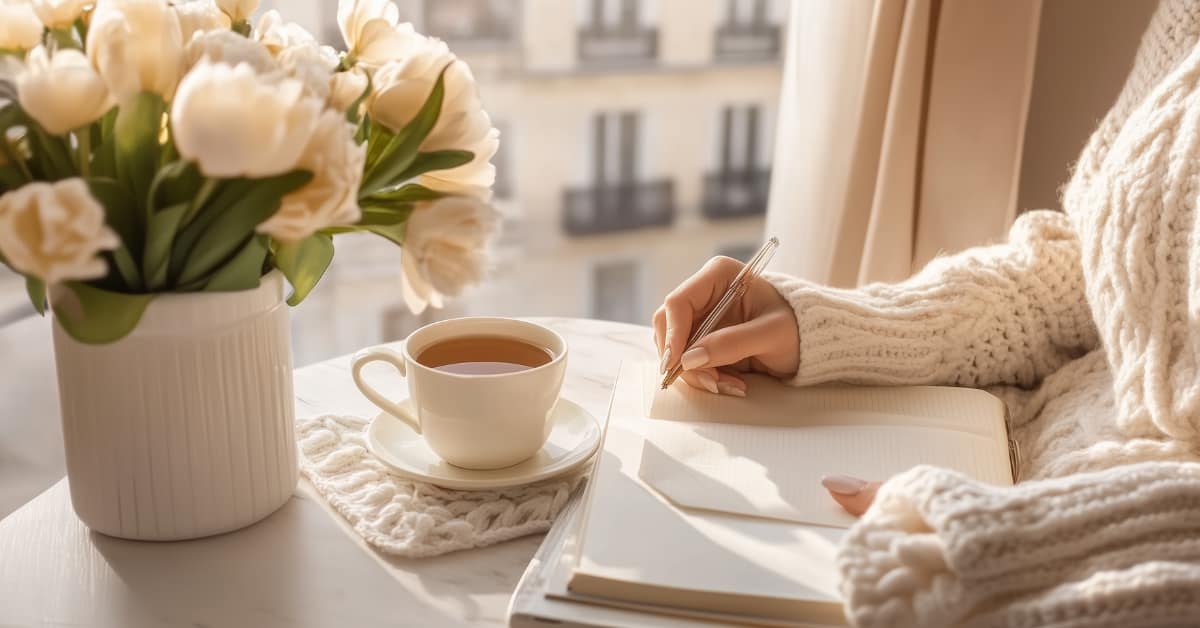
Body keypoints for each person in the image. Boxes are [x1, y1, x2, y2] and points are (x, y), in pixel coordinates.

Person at [654, 1, 1200, 626]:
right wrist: (833, 326)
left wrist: (1033, 537)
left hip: (1064, 566)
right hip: (973, 511)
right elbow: (1089, 275)